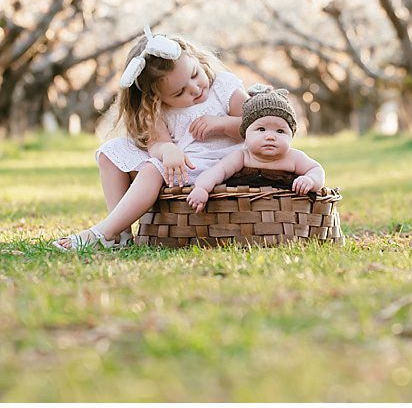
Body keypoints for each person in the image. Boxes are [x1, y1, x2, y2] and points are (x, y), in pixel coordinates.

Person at [52, 26, 248, 250]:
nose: (194, 89)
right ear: (156, 98)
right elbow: (157, 144)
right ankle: (120, 233)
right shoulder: (157, 109)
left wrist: (222, 124)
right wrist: (167, 150)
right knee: (111, 152)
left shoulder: (223, 87)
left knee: (152, 169)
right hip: (180, 163)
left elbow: (254, 124)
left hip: (217, 162)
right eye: (179, 92)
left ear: (195, 58)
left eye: (194, 74)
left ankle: (104, 232)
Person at [186, 85, 325, 212]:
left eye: (280, 131)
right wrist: (202, 188)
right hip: (245, 213)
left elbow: (316, 169)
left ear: (291, 135)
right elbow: (217, 172)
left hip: (285, 213)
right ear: (245, 134)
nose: (270, 137)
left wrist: (310, 180)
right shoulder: (242, 157)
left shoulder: (294, 157)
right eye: (261, 129)